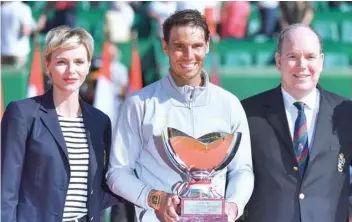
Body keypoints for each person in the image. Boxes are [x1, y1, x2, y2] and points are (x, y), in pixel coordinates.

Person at [107, 9, 254, 222]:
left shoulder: (229, 104)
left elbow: (242, 169)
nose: (188, 55)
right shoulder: (139, 104)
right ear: (165, 47)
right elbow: (118, 173)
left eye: (196, 46)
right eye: (179, 47)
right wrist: (156, 199)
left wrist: (233, 206)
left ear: (207, 46)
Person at [1, 26, 118, 222]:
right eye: (62, 62)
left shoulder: (100, 121)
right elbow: (5, 190)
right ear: (48, 65)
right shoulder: (22, 113)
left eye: (79, 62)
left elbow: (100, 187)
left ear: (88, 65)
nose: (71, 70)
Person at [241, 24, 352, 222]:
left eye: (310, 57)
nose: (302, 65)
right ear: (278, 61)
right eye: (292, 57)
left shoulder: (346, 113)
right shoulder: (248, 113)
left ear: (321, 61)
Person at [1, 1, 37, 68]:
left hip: (3, 51)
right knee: (17, 77)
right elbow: (25, 31)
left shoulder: (2, 8)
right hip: (19, 52)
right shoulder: (24, 8)